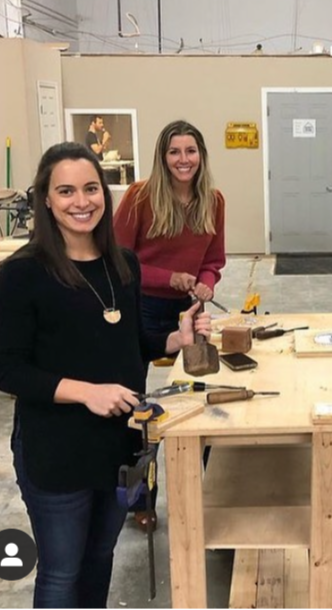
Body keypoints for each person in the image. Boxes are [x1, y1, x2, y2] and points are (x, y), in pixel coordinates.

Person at [0, 141, 211, 608]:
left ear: (104, 193)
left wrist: (174, 341)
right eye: (66, 191)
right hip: (56, 451)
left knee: (100, 559)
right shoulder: (23, 273)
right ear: (46, 199)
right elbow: (9, 368)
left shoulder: (123, 264)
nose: (82, 202)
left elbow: (130, 343)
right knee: (61, 573)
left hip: (118, 445)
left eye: (91, 188)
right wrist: (85, 392)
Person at [113, 119, 225, 529]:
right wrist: (168, 277)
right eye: (174, 151)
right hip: (139, 307)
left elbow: (213, 260)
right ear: (163, 157)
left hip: (188, 310)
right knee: (136, 407)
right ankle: (139, 501)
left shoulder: (213, 200)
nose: (183, 159)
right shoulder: (140, 197)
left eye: (190, 151)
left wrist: (206, 283)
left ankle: (211, 496)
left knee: (204, 397)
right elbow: (117, 259)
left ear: (201, 156)